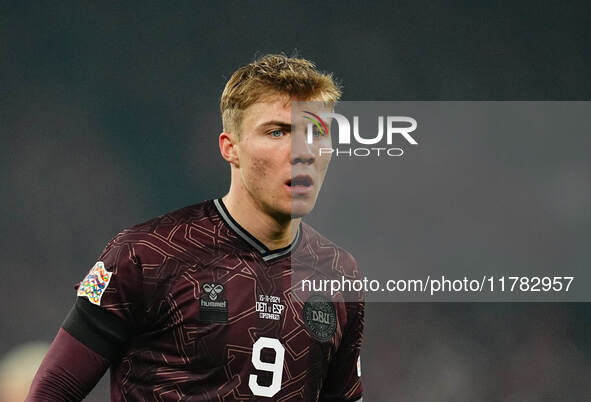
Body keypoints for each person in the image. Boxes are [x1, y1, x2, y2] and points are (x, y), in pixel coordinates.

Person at [27, 54, 364, 401]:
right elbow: (52, 392)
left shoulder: (338, 272)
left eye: (316, 132)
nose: (303, 152)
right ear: (230, 148)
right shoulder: (147, 255)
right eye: (277, 131)